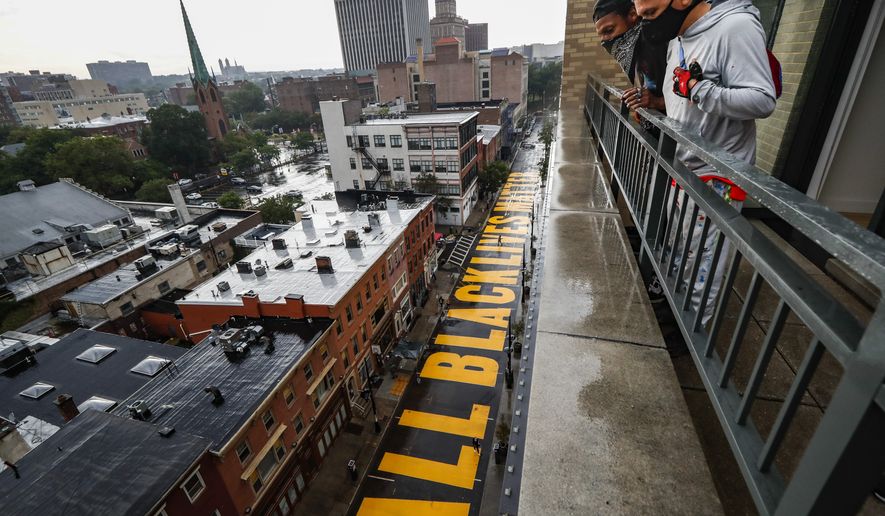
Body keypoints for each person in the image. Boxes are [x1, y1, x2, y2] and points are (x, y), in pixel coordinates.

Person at [634, 0, 776, 323]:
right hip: (682, 170)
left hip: (716, 179)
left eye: (651, 15)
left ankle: (693, 332)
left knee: (703, 267)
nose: (646, 26)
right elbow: (680, 106)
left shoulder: (734, 27)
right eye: (641, 17)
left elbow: (762, 98)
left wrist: (700, 90)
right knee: (682, 254)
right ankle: (678, 317)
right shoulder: (677, 42)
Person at [593, 0, 668, 130]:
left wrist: (657, 102)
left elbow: (692, 99)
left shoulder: (659, 42)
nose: (605, 41)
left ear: (633, 14)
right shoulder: (636, 49)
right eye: (602, 36)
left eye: (609, 30)